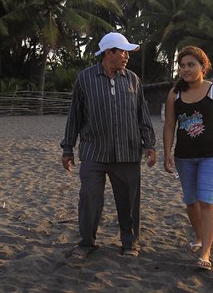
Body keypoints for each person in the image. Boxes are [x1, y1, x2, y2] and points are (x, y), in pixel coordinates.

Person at [60, 32, 157, 260]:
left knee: (129, 201)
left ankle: (129, 243)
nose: (126, 57)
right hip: (94, 151)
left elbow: (142, 114)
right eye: (122, 52)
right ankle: (86, 242)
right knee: (89, 197)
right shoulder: (85, 79)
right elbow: (74, 115)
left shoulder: (132, 79)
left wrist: (149, 144)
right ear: (108, 53)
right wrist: (68, 148)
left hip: (128, 152)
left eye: (126, 52)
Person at [162, 46, 213, 271]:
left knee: (207, 200)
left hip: (210, 156)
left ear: (203, 67)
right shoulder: (174, 93)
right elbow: (169, 125)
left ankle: (206, 250)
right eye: (182, 65)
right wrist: (167, 152)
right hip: (183, 157)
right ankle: (198, 236)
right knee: (191, 201)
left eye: (190, 64)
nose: (185, 69)